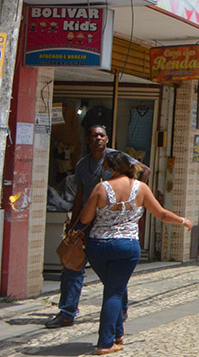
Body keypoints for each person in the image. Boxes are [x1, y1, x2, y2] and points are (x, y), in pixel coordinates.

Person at [78, 150, 191, 354]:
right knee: (114, 291)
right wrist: (183, 221)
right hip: (126, 246)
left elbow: (85, 219)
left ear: (110, 168)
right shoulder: (142, 189)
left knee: (114, 288)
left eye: (104, 167)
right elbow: (162, 214)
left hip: (99, 246)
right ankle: (105, 342)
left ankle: (117, 334)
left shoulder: (100, 189)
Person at [47, 124, 150, 329]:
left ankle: (120, 309)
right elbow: (79, 197)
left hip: (110, 222)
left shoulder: (116, 158)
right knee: (72, 264)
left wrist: (134, 197)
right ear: (87, 140)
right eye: (94, 136)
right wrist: (74, 225)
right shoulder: (82, 165)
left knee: (113, 272)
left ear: (107, 139)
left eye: (101, 135)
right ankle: (67, 312)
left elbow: (144, 171)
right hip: (87, 220)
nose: (98, 139)